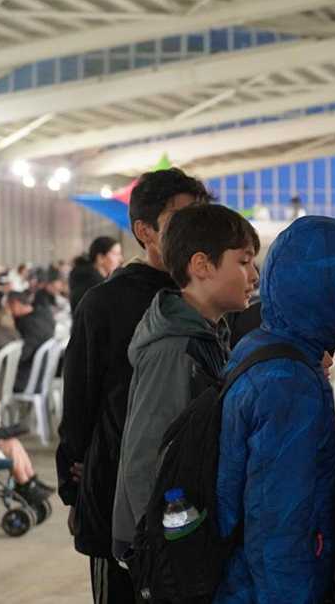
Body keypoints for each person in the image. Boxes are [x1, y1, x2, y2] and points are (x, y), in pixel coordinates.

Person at [57, 168, 209, 604]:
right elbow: (80, 404)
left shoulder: (208, 294)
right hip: (115, 499)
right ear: (144, 231)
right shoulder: (105, 302)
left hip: (189, 496)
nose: (195, 233)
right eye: (181, 220)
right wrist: (77, 493)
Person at [214, 216, 335, 603]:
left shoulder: (266, 345)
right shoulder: (289, 384)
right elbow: (280, 529)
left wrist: (334, 436)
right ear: (320, 291)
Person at [111, 204, 259, 562]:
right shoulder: (175, 349)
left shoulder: (208, 334)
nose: (254, 275)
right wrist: (165, 548)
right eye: (243, 262)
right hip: (166, 545)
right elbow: (146, 457)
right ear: (202, 265)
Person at [6, 291, 55, 392]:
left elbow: (22, 355)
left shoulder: (27, 323)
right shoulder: (45, 314)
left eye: (7, 307)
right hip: (46, 374)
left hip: (29, 379)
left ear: (15, 304)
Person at [69, 236, 123, 311]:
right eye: (115, 254)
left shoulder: (100, 281)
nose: (120, 259)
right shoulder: (91, 284)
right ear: (100, 258)